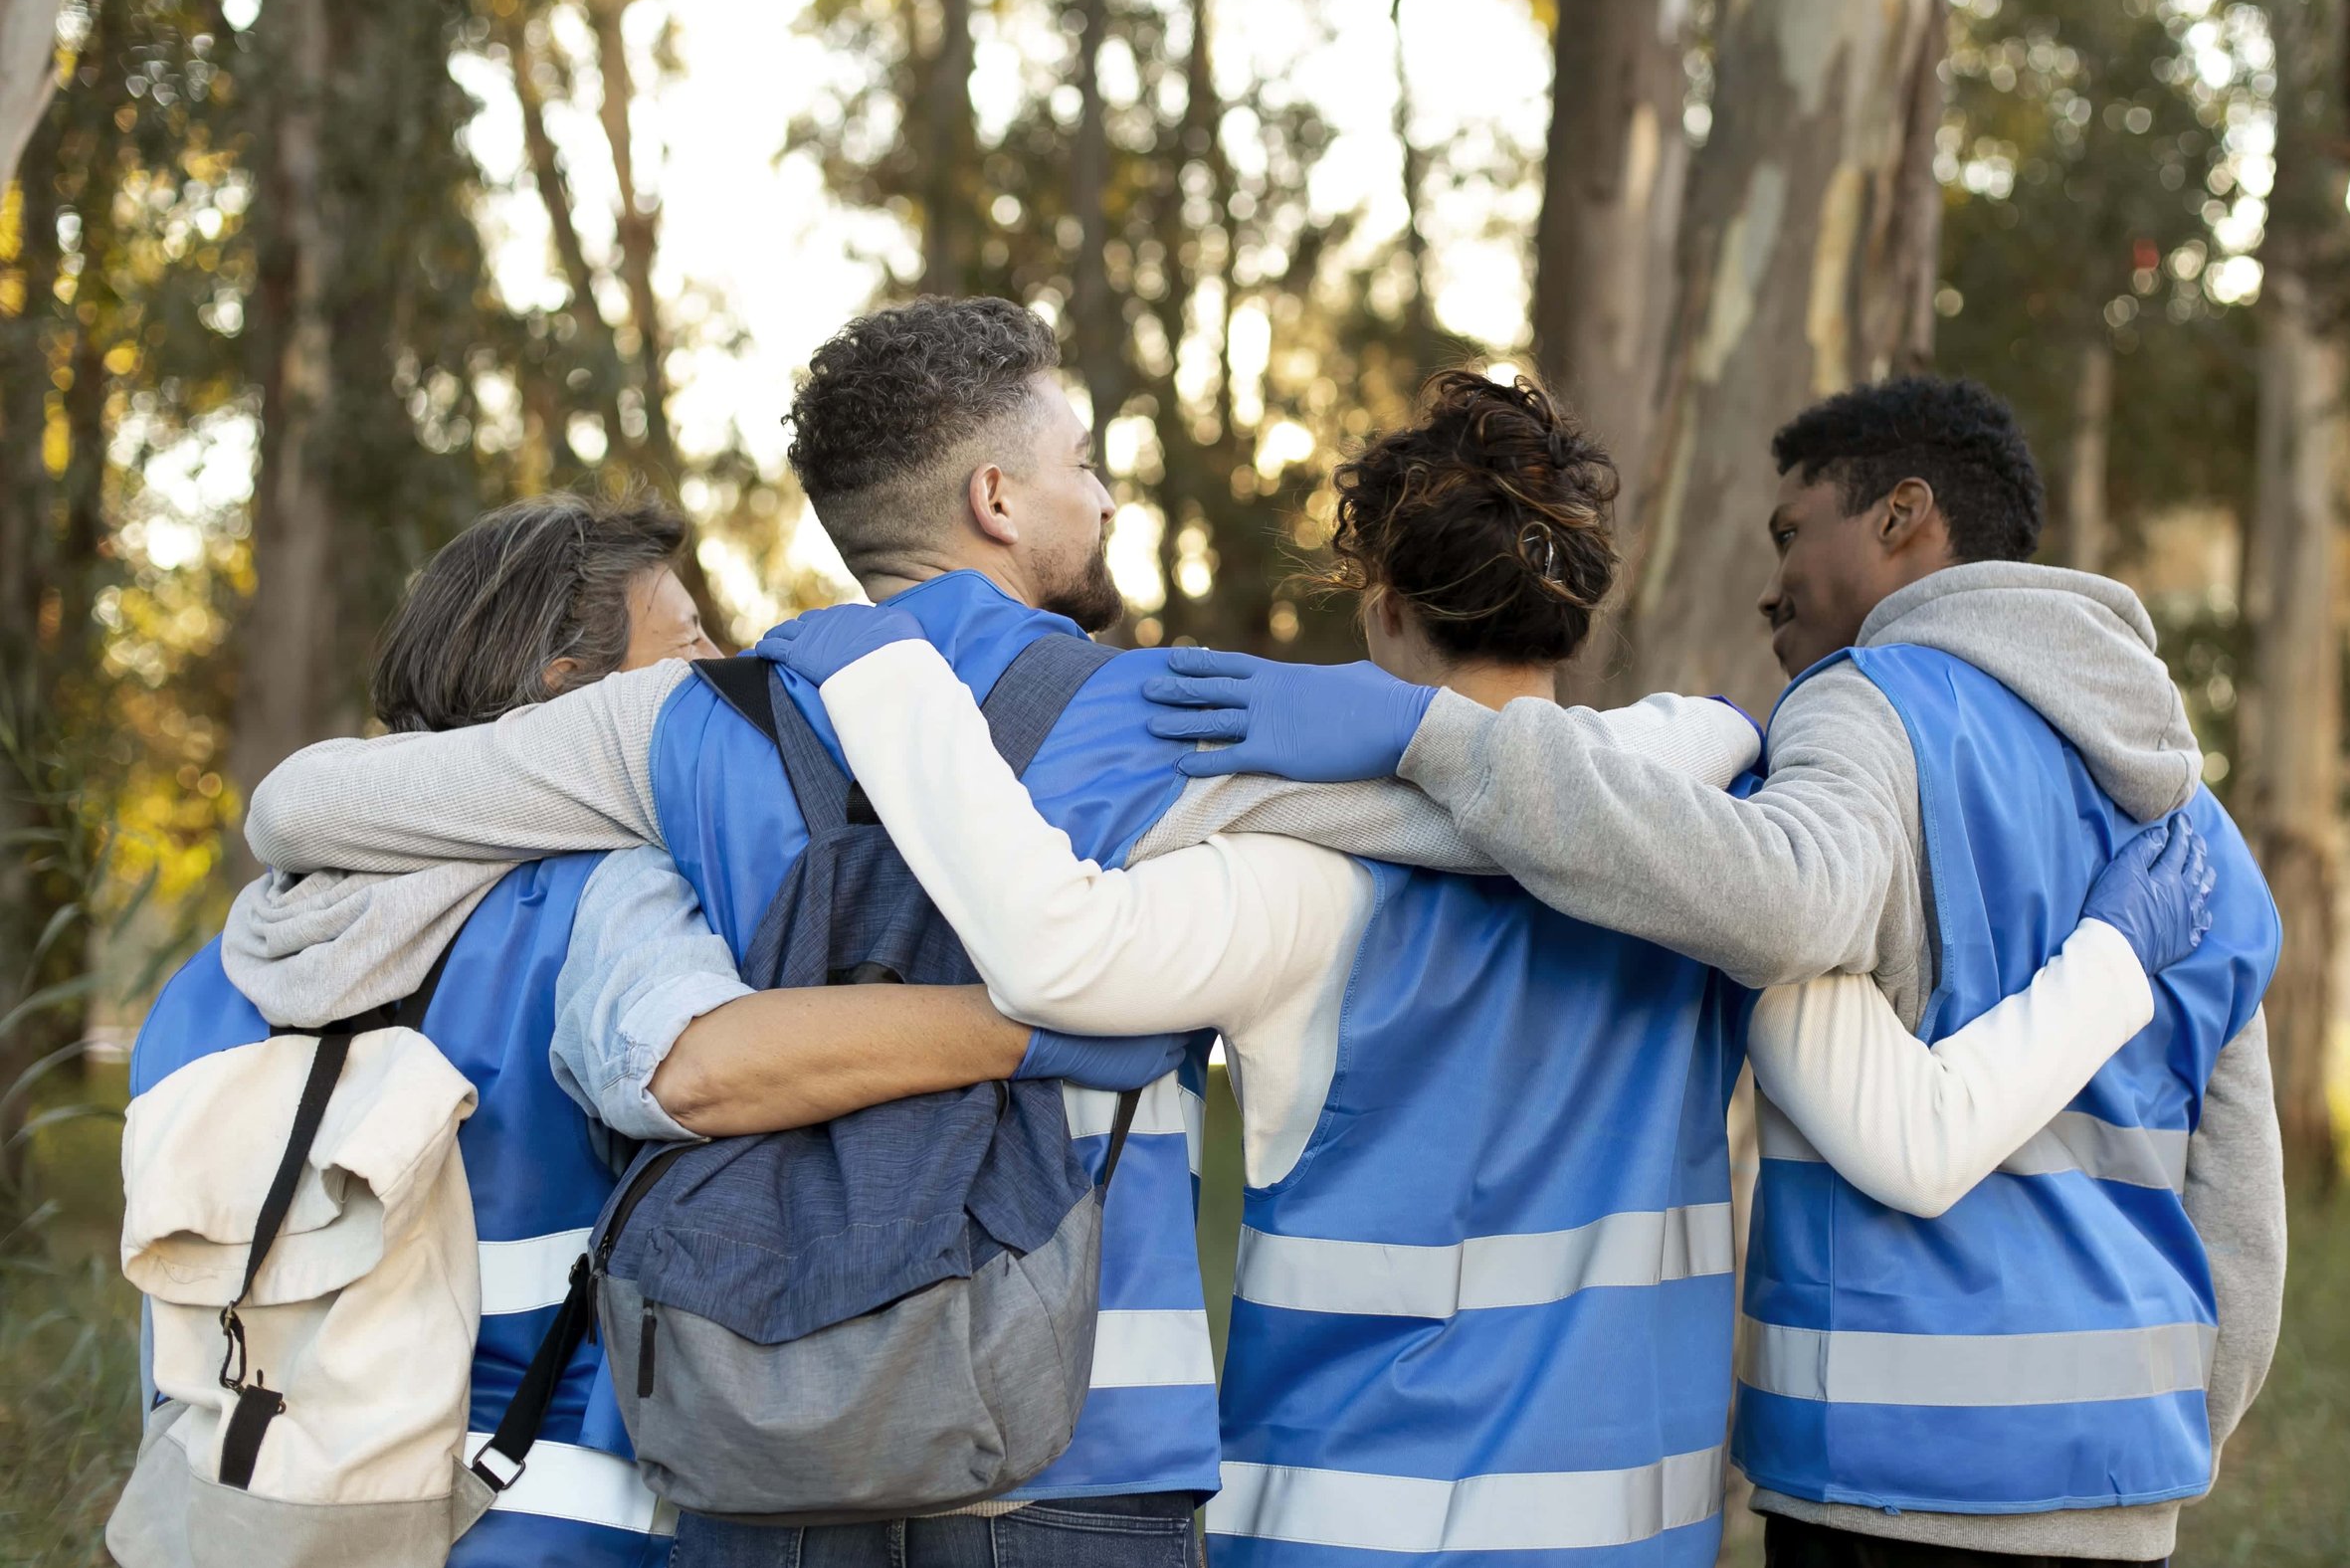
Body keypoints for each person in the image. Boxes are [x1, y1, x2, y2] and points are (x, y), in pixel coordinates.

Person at [241, 351, 2209, 1566]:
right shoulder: (1709, 807)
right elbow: (1876, 1079)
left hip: (1319, 1515)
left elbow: (1054, 937)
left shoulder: (1275, 864)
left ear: (1369, 605)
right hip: (1625, 1522)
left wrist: (886, 685)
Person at [1140, 376, 2285, 1568]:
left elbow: (1779, 894)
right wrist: (2159, 1445)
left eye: (1793, 533)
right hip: (2124, 1488)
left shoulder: (1860, 713)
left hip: (1882, 1476)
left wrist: (1409, 747)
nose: (1770, 582)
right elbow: (2243, 1213)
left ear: (1901, 518)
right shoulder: (2191, 824)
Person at [127, 495, 1174, 1568]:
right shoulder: (592, 899)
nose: (722, 679)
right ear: (566, 693)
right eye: (686, 653)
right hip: (533, 1520)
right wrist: (1043, 1025)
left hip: (250, 1514)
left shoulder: (220, 971)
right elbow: (700, 1068)